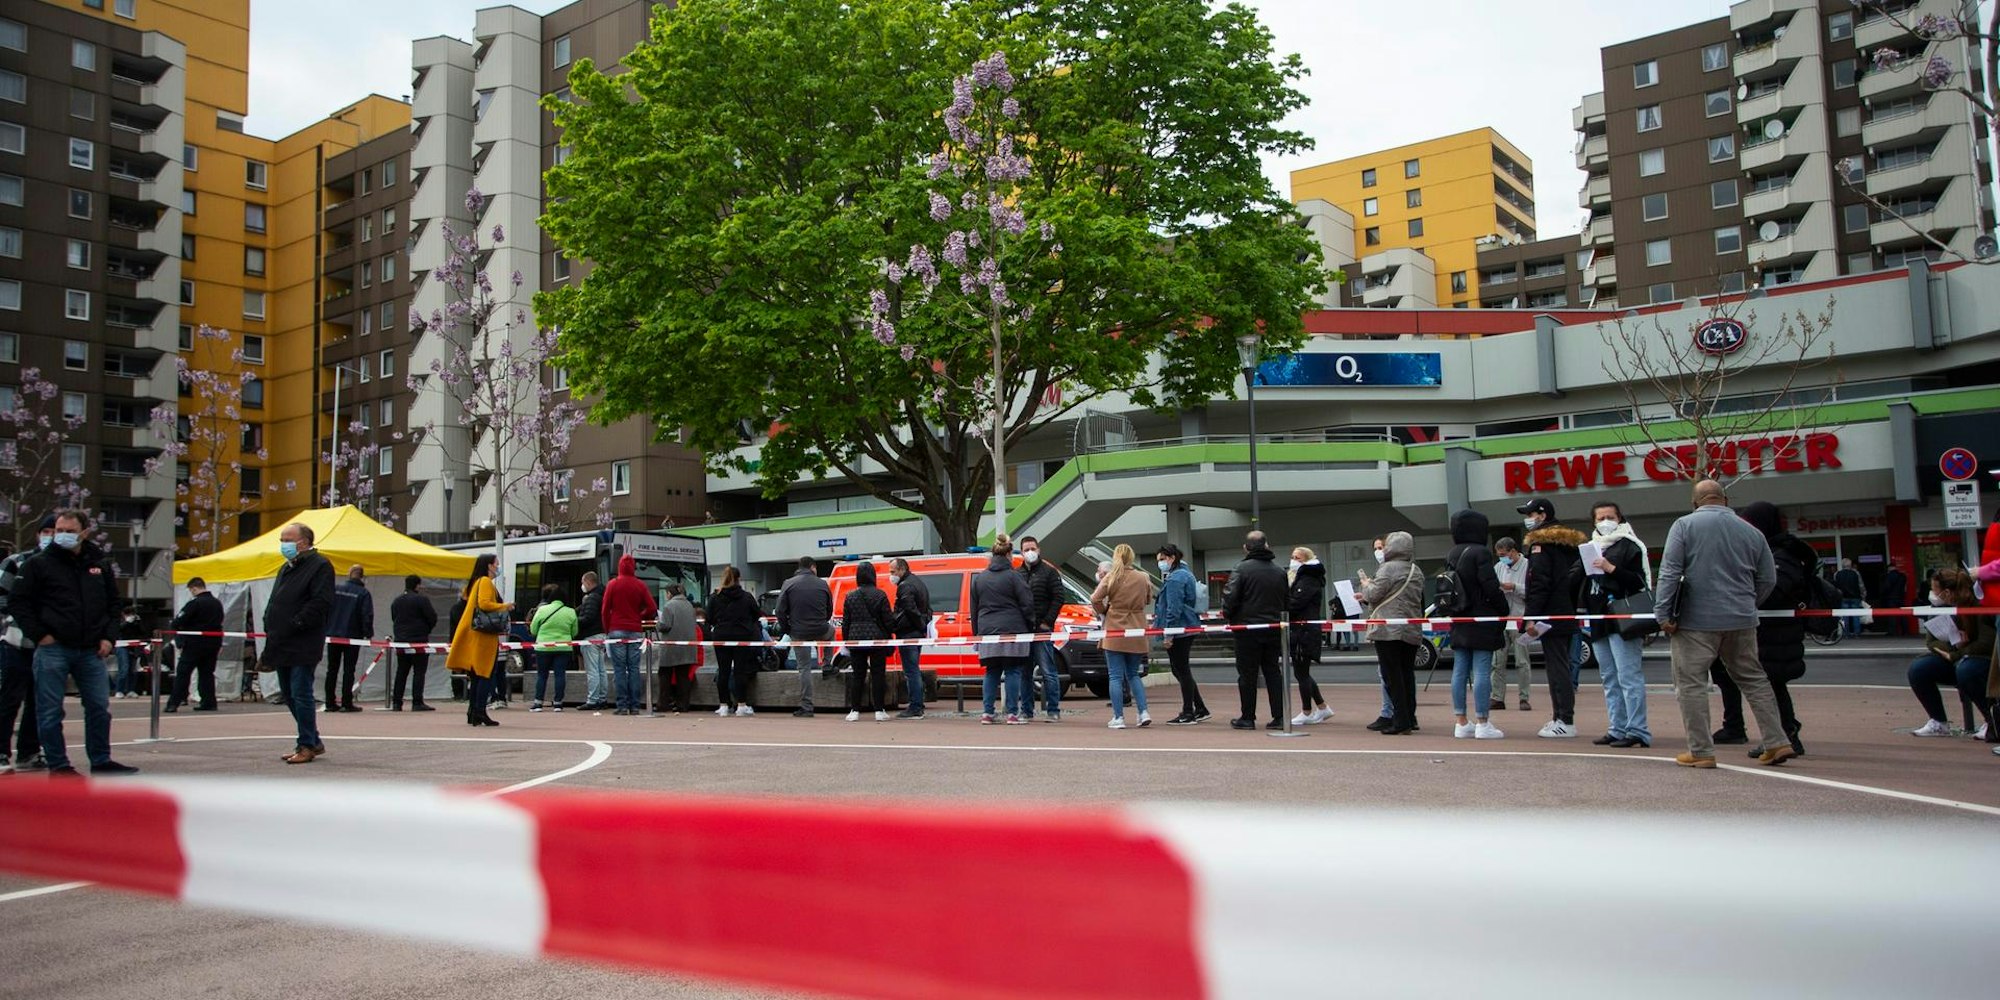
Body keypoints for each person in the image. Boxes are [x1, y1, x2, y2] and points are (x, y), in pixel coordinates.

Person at [1655, 480, 1795, 768]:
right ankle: (1777, 741)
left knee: (1691, 684)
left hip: (1695, 621)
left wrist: (1663, 613)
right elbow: (1768, 579)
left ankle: (1701, 750)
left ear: (1695, 502)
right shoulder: (1752, 531)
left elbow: (1670, 572)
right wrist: (1748, 603)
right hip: (1741, 619)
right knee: (1754, 679)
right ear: (1725, 499)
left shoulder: (1683, 526)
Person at [14, 510, 135, 776]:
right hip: (53, 648)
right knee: (49, 711)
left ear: (84, 532)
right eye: (59, 530)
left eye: (69, 531)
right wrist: (39, 634)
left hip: (91, 650)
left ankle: (101, 760)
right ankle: (59, 766)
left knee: (99, 708)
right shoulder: (38, 564)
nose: (62, 535)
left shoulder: (99, 565)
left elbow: (113, 604)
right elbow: (19, 602)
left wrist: (108, 637)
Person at [1713, 502, 1812, 756]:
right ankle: (1784, 734)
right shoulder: (1770, 550)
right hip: (1770, 632)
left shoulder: (1782, 554)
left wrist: (1746, 593)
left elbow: (1775, 591)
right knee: (1770, 684)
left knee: (1772, 684)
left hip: (1777, 633)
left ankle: (1784, 735)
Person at [1582, 501, 1652, 749]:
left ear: (1620, 518)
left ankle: (1638, 730)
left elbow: (1640, 583)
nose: (1605, 522)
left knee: (1628, 676)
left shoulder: (1630, 545)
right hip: (1599, 617)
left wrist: (1610, 568)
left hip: (1623, 618)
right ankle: (1617, 727)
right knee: (1609, 677)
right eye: (1600, 518)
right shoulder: (1591, 547)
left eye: (1610, 517)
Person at [1518, 497, 1585, 739]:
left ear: (1543, 515)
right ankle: (1560, 717)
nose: (1528, 519)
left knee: (1557, 668)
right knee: (1561, 665)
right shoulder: (1569, 544)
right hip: (1566, 609)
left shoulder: (1541, 545)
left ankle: (1565, 720)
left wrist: (1530, 617)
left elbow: (1539, 583)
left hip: (1550, 613)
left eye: (1531, 514)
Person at [1905, 566, 1995, 738]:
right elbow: (1931, 642)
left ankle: (1992, 721)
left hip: (1982, 659)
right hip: (1957, 655)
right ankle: (1938, 722)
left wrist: (1957, 653)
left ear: (1946, 592)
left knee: (1967, 670)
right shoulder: (1938, 608)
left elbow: (1986, 643)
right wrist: (1955, 648)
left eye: (1934, 590)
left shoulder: (1977, 604)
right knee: (1919, 668)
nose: (1932, 594)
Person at [1444, 510, 1507, 740]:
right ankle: (1483, 722)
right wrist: (1503, 609)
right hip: (1482, 617)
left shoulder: (1452, 553)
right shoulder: (1481, 552)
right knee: (1482, 670)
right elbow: (1490, 585)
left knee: (1459, 670)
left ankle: (1461, 722)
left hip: (1459, 615)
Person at [0, 518, 54, 772]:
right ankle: (1, 751)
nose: (52, 536)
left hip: (49, 644)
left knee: (39, 701)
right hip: (16, 640)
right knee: (9, 697)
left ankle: (29, 752)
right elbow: (2, 597)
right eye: (47, 531)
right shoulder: (16, 561)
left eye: (56, 531)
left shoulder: (65, 566)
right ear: (38, 534)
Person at [1361, 531, 1425, 735]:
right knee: (1407, 674)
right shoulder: (1416, 570)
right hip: (1411, 627)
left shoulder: (1387, 569)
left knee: (1391, 676)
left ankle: (1400, 720)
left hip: (1388, 630)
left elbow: (1372, 595)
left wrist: (1366, 585)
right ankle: (1410, 717)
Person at [1222, 530, 1286, 731]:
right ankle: (1280, 717)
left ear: (1246, 548)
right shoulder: (1279, 571)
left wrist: (1229, 615)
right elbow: (1286, 600)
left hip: (1246, 628)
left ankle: (1248, 717)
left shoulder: (1241, 569)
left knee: (1247, 674)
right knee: (1273, 672)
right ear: (1267, 545)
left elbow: (1230, 596)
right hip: (1274, 627)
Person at [971, 536, 1035, 724]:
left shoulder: (980, 578)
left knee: (991, 671)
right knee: (1013, 671)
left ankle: (987, 712)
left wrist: (977, 633)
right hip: (1013, 629)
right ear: (1009, 554)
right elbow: (1027, 603)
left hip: (987, 631)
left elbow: (974, 609)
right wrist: (1030, 625)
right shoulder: (1015, 576)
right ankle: (1012, 713)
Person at [445, 553, 510, 728]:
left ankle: (473, 711)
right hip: (484, 636)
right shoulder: (485, 582)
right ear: (489, 565)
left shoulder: (475, 582)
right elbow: (485, 604)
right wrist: (505, 606)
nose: (498, 567)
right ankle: (480, 711)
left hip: (474, 635)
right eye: (496, 564)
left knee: (476, 675)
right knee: (485, 673)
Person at [1092, 544, 1153, 730]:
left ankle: (1118, 717)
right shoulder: (1143, 577)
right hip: (1137, 627)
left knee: (1115, 676)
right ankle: (1143, 712)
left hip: (1115, 628)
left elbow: (1095, 598)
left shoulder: (1112, 576)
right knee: (1134, 674)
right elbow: (1148, 599)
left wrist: (1105, 610)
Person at [1154, 544, 1209, 725]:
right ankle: (1199, 708)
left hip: (1179, 629)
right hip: (1188, 626)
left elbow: (1174, 608)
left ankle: (1188, 712)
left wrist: (1169, 634)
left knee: (1181, 670)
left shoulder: (1175, 579)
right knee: (1180, 669)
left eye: (1162, 559)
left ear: (1171, 558)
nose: (1160, 563)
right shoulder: (1186, 573)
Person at [601, 554, 658, 716]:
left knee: (619, 669)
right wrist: (639, 616)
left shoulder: (613, 584)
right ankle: (634, 706)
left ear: (619, 566)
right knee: (634, 668)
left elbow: (605, 610)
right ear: (633, 567)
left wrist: (607, 629)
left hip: (616, 630)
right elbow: (652, 607)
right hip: (635, 630)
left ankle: (622, 706)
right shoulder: (640, 585)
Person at [776, 556, 833, 718]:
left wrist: (788, 629)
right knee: (831, 633)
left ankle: (807, 706)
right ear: (812, 567)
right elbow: (829, 608)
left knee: (804, 668)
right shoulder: (822, 584)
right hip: (820, 629)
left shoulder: (788, 583)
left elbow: (780, 610)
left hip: (799, 632)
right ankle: (827, 664)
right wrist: (822, 621)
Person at [839, 561, 895, 722]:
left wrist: (847, 641)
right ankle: (879, 710)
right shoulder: (880, 595)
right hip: (877, 640)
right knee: (878, 675)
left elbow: (846, 622)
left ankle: (854, 710)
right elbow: (888, 620)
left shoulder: (850, 596)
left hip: (856, 639)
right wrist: (890, 633)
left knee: (858, 675)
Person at [1018, 536, 1065, 721]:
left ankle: (1053, 710)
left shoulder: (1049, 572)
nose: (1030, 552)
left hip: (1042, 630)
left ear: (1038, 550)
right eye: (1026, 549)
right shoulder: (1018, 574)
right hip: (1024, 631)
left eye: (1032, 548)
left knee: (1048, 671)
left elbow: (1058, 597)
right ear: (1021, 552)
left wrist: (1048, 621)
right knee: (1025, 673)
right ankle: (1026, 711)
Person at [705, 566, 762, 717]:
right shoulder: (746, 597)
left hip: (721, 636)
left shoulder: (715, 597)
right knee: (740, 671)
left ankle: (723, 705)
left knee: (723, 670)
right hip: (741, 636)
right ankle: (741, 705)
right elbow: (757, 614)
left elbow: (708, 618)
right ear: (739, 579)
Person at [167, 576, 225, 713]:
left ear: (194, 588)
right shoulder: (217, 603)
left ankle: (174, 703)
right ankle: (209, 702)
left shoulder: (194, 603)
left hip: (194, 643)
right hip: (213, 643)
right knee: (207, 674)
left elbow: (178, 621)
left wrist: (180, 637)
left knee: (183, 673)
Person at [1286, 547, 1331, 725]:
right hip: (1301, 629)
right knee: (1301, 672)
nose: (1293, 560)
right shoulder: (1304, 577)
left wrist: (1281, 606)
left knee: (1301, 672)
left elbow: (1296, 603)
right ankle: (1322, 707)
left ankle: (1307, 711)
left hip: (1304, 630)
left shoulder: (1308, 579)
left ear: (1306, 560)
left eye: (1297, 558)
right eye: (1292, 557)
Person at [322, 565, 373, 713]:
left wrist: (326, 628)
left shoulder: (336, 589)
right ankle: (346, 702)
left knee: (332, 669)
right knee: (349, 670)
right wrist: (368, 634)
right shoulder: (363, 593)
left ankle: (329, 702)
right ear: (362, 577)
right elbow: (366, 615)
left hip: (333, 635)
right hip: (352, 636)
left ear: (349, 574)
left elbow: (326, 608)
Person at [1491, 536, 1531, 713]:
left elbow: (1533, 591)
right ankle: (1497, 697)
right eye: (1499, 555)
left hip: (1520, 618)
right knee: (1497, 662)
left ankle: (1524, 697)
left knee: (1522, 662)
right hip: (1502, 620)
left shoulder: (1528, 566)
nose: (1502, 559)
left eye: (1504, 555)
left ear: (1513, 551)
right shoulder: (1498, 567)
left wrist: (1514, 587)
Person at [388, 574, 438, 712]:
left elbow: (394, 617)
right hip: (419, 640)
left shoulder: (397, 601)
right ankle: (417, 702)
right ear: (417, 585)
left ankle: (397, 702)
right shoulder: (422, 600)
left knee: (401, 671)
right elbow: (432, 617)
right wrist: (426, 630)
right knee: (419, 672)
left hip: (401, 641)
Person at [890, 558, 930, 719]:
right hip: (916, 632)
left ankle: (915, 706)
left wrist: (918, 624)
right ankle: (918, 702)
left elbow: (909, 609)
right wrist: (923, 625)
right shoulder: (918, 582)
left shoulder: (905, 586)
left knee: (911, 670)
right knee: (914, 669)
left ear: (901, 569)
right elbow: (926, 607)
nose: (891, 575)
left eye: (892, 572)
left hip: (908, 633)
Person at [529, 583, 577, 712]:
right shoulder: (571, 611)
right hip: (563, 647)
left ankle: (538, 703)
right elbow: (574, 632)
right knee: (560, 675)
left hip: (543, 647)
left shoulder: (542, 610)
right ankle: (558, 703)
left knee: (542, 675)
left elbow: (533, 630)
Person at [656, 583, 699, 713]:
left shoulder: (669, 606)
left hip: (671, 646)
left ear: (669, 593)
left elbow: (665, 626)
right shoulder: (689, 605)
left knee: (664, 675)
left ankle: (663, 704)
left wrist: (658, 623)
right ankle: (683, 704)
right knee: (683, 677)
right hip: (688, 646)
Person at [575, 571, 608, 711]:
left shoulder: (592, 598)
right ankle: (602, 698)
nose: (582, 586)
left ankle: (593, 700)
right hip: (601, 635)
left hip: (591, 637)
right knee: (601, 670)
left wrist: (575, 622)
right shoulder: (602, 595)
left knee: (592, 670)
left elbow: (587, 618)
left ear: (588, 582)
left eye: (583, 583)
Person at [112, 609, 145, 699]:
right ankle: (119, 690)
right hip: (122, 646)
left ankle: (131, 690)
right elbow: (118, 630)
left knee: (132, 670)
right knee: (124, 668)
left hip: (133, 646)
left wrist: (138, 622)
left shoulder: (135, 622)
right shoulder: (119, 621)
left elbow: (142, 632)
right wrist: (126, 622)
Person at [1832, 558, 1866, 638]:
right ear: (1850, 565)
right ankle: (1856, 633)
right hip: (1855, 597)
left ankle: (1846, 634)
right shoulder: (1856, 573)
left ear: (1842, 565)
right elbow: (1861, 586)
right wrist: (1863, 596)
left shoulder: (1837, 574)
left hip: (1843, 597)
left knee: (1845, 616)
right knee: (1856, 616)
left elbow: (1835, 587)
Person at [1876, 558, 1911, 636]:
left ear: (1889, 568)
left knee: (1892, 615)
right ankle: (1905, 630)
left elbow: (1886, 587)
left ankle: (1892, 631)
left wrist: (1882, 594)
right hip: (1901, 597)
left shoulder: (1889, 576)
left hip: (1891, 598)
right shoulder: (1903, 576)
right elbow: (1905, 587)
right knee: (1903, 614)